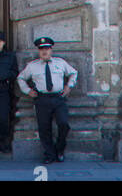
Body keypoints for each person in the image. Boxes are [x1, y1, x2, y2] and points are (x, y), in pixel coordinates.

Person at [17, 35, 78, 164]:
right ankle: (49, 154)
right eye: (41, 49)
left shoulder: (60, 63)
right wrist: (28, 91)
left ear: (51, 50)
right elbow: (20, 78)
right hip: (42, 99)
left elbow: (73, 73)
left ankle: (60, 149)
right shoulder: (32, 66)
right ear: (39, 51)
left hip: (58, 98)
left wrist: (68, 86)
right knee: (44, 128)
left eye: (47, 49)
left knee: (63, 124)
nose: (44, 52)